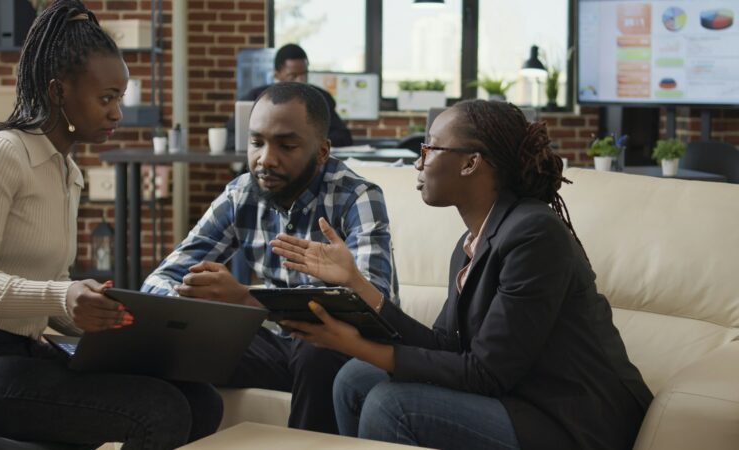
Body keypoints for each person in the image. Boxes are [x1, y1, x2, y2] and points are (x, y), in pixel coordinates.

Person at [269, 99, 653, 449]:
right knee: (355, 378)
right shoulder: (471, 243)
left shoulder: (536, 233)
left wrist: (354, 344)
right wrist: (356, 282)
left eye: (430, 148)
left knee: (394, 405)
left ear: (471, 162)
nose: (418, 163)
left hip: (573, 421)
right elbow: (447, 345)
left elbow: (486, 374)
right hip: (518, 399)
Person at [0, 2, 222, 449]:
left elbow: (47, 292)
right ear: (57, 91)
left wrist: (104, 320)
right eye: (105, 98)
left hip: (24, 349)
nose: (117, 114)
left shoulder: (66, 172)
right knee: (158, 411)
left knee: (202, 401)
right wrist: (63, 294)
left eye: (119, 99)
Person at [142, 81, 394, 434]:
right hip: (275, 344)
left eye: (286, 145)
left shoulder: (357, 198)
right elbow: (159, 279)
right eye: (256, 142)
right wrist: (190, 306)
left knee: (316, 350)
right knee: (177, 336)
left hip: (340, 349)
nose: (266, 159)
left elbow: (376, 308)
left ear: (322, 152)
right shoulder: (241, 194)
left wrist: (249, 299)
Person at [225, 43, 353, 150]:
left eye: (304, 74)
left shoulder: (320, 97)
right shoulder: (256, 97)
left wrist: (309, 141)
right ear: (277, 74)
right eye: (293, 75)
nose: (301, 81)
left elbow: (344, 137)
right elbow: (230, 138)